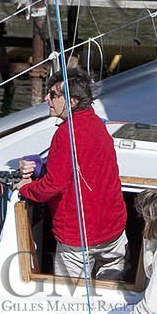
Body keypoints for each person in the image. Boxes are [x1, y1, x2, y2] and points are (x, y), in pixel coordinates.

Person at [18, 68, 127, 278]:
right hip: (113, 231)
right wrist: (42, 166)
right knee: (111, 293)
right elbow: (83, 165)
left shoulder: (65, 134)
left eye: (53, 95)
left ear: (73, 101)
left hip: (78, 237)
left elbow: (53, 185)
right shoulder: (97, 124)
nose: (46, 98)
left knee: (71, 301)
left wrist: (26, 188)